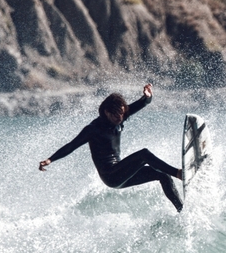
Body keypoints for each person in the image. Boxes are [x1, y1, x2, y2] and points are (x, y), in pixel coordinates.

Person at [39, 83, 185, 212]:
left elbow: (143, 103)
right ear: (106, 112)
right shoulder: (93, 129)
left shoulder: (120, 116)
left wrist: (147, 97)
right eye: (116, 115)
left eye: (122, 113)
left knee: (162, 174)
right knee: (144, 154)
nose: (120, 117)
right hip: (111, 176)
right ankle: (179, 174)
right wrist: (50, 159)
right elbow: (71, 146)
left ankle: (181, 210)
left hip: (124, 173)